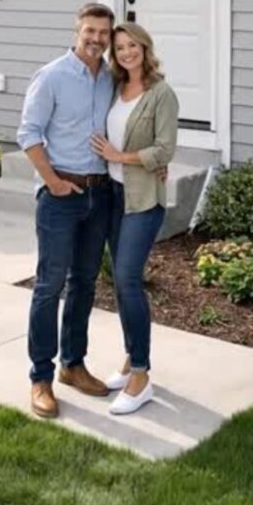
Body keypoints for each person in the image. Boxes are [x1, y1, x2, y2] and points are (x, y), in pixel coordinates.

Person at [17, 3, 115, 419]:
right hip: (60, 196)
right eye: (90, 31)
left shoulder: (110, 79)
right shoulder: (53, 75)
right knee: (49, 286)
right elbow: (28, 133)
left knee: (85, 284)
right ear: (77, 31)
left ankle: (73, 366)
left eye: (104, 33)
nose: (96, 39)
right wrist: (53, 182)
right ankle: (40, 378)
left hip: (99, 194)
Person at [91, 22, 178, 416]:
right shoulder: (112, 87)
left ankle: (141, 376)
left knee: (127, 278)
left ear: (145, 47)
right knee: (120, 282)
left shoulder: (161, 94)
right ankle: (130, 358)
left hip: (143, 200)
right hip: (111, 196)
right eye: (119, 47)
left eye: (132, 45)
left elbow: (164, 150)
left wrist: (121, 157)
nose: (126, 52)